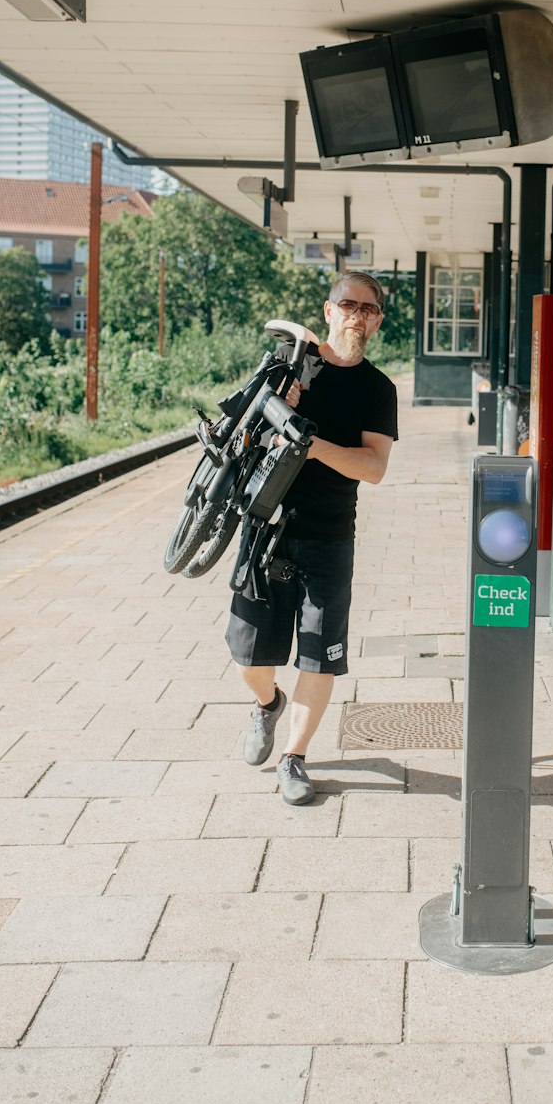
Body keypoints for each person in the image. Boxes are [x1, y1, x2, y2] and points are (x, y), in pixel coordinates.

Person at [225, 273, 398, 804]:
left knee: (319, 655)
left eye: (368, 309)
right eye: (348, 304)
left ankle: (294, 758)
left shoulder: (378, 388)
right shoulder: (291, 364)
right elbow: (244, 427)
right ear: (328, 310)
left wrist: (313, 444)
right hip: (266, 524)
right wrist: (279, 404)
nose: (357, 315)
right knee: (249, 657)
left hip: (329, 535)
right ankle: (266, 703)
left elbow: (373, 468)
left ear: (378, 321)